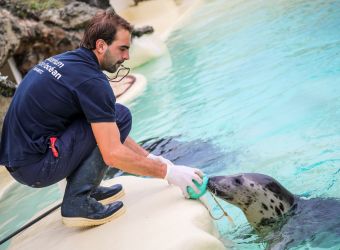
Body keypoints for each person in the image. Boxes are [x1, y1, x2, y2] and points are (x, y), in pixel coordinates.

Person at [0, 9, 203, 227]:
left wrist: (151, 158)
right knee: (120, 115)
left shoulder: (66, 62)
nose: (127, 57)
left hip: (23, 162)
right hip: (37, 167)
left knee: (113, 117)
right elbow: (113, 152)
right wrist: (168, 172)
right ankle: (77, 201)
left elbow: (104, 130)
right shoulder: (91, 82)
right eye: (123, 49)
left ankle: (88, 187)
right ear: (101, 46)